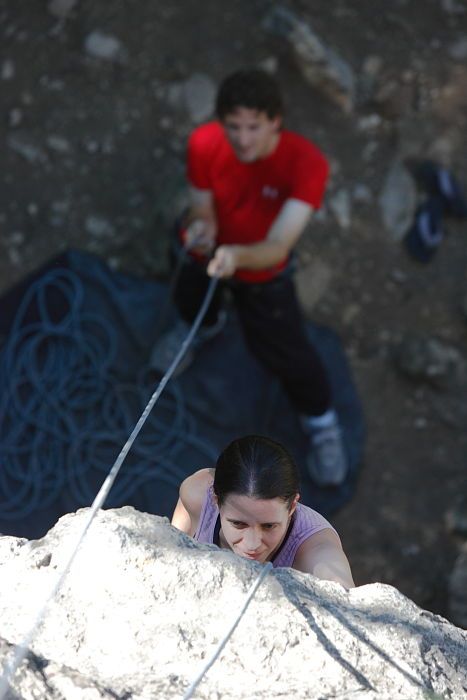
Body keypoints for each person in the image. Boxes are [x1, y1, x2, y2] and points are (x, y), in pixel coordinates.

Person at [151, 68, 347, 487]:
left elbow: (279, 244)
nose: (242, 138)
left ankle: (322, 422)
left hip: (262, 270)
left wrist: (237, 256)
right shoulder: (205, 143)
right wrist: (202, 229)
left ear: (276, 120)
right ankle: (198, 325)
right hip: (211, 253)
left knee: (287, 348)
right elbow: (202, 206)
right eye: (233, 126)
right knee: (190, 289)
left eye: (254, 126)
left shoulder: (306, 163)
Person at [171, 434, 354, 587]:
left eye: (268, 526)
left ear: (292, 507)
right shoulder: (196, 495)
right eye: (238, 524)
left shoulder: (315, 548)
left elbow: (342, 593)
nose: (252, 545)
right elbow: (171, 551)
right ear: (216, 501)